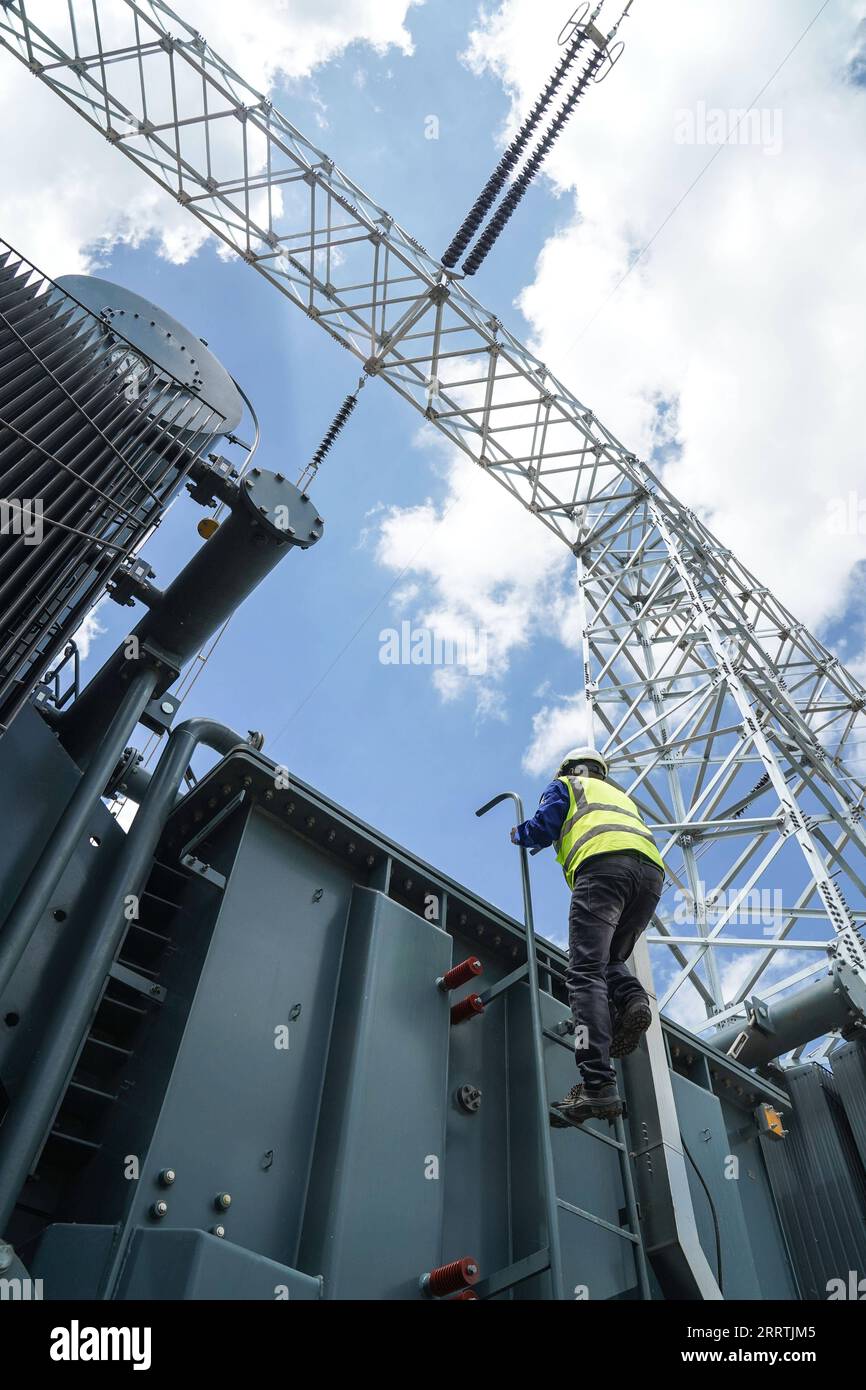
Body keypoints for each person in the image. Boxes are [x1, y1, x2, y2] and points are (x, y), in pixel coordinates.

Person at [510, 746, 665, 1125]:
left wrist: (519, 833)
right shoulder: (618, 796)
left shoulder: (565, 785)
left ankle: (597, 1085)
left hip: (603, 870)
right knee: (611, 960)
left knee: (584, 972)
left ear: (571, 768)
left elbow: (544, 826)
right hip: (650, 879)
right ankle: (632, 1003)